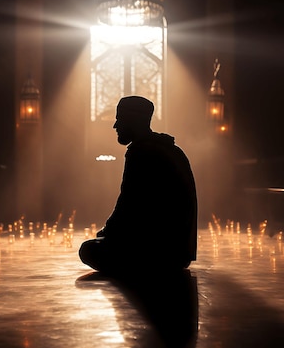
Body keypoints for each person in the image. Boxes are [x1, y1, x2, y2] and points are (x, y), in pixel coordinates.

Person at [79, 95, 198, 277]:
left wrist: (107, 231)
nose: (115, 126)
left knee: (87, 249)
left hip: (159, 255)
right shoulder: (170, 149)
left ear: (133, 120)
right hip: (180, 253)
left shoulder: (142, 152)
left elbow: (129, 204)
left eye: (119, 119)